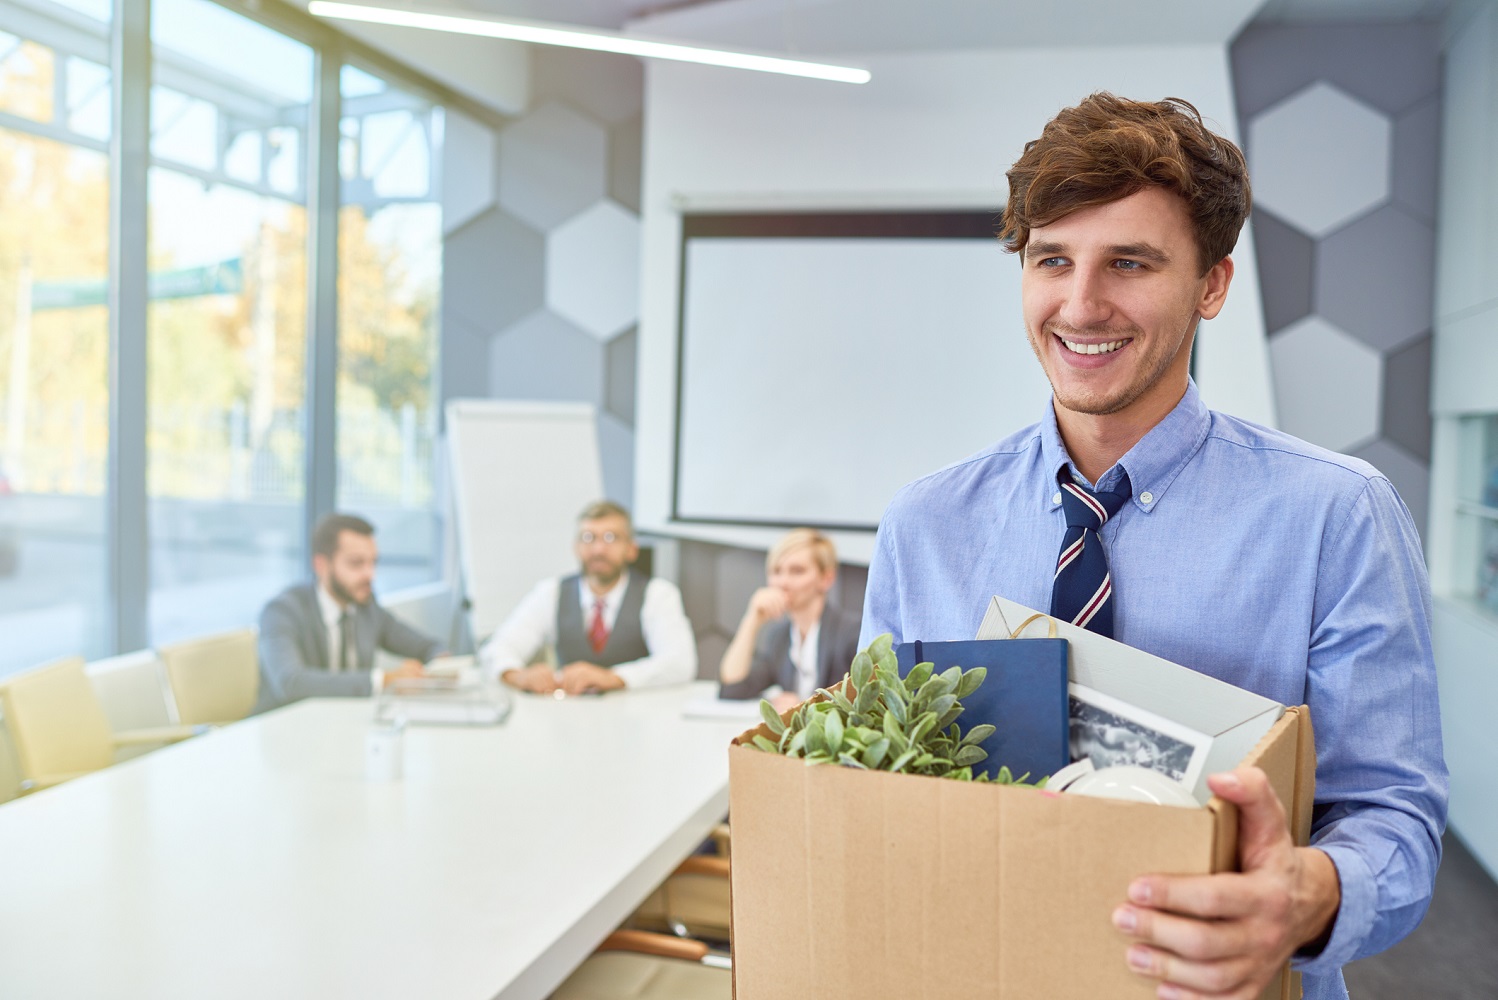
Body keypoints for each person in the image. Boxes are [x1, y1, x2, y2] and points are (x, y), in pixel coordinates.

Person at [859, 93, 1446, 1000]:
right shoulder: (925, 523)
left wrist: (1309, 897)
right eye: (1052, 259)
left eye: (1129, 262)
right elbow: (879, 781)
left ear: (1212, 284)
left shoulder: (1338, 514)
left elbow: (1392, 815)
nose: (1082, 303)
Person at [481, 500, 696, 695]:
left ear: (631, 549)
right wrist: (519, 675)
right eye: (588, 537)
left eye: (611, 538)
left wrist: (612, 677)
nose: (598, 549)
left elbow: (680, 663)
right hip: (566, 720)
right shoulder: (552, 592)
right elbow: (497, 649)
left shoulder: (658, 594)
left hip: (638, 717)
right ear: (576, 547)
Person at [255, 512, 442, 713]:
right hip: (284, 729)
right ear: (321, 565)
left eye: (373, 563)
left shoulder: (366, 606)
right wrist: (383, 680)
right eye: (356, 563)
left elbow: (427, 646)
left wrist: (443, 663)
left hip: (343, 726)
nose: (369, 574)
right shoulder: (282, 611)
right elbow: (291, 682)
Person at [718, 528, 862, 711]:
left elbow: (864, 707)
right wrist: (751, 621)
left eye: (797, 571)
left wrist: (805, 706)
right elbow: (733, 689)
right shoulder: (780, 637)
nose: (783, 582)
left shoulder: (852, 633)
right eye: (776, 571)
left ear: (826, 578)